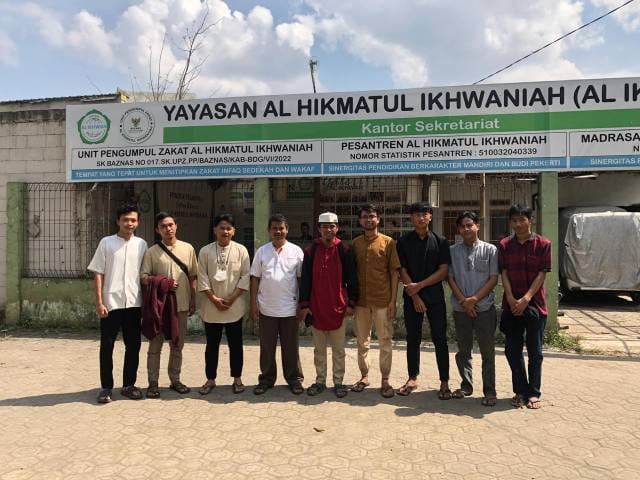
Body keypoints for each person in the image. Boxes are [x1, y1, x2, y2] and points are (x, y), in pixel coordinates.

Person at [88, 204, 147, 404]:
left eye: (133, 220)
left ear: (138, 222)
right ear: (118, 221)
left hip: (134, 303)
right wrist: (99, 302)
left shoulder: (142, 244)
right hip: (111, 303)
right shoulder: (107, 243)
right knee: (107, 346)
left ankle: (129, 385)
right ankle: (106, 387)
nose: (129, 223)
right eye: (125, 220)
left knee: (133, 346)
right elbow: (98, 272)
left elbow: (144, 274)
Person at [298, 212, 358, 398]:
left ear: (337, 228)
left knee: (339, 350)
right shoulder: (311, 251)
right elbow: (305, 280)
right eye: (325, 226)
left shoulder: (344, 250)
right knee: (319, 350)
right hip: (316, 308)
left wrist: (351, 303)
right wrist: (304, 305)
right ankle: (320, 381)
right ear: (319, 228)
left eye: (332, 226)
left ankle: (338, 382)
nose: (328, 230)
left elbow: (352, 278)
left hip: (338, 307)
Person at [397, 202, 452, 399]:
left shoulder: (441, 241)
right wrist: (415, 295)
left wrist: (419, 286)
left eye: (425, 214)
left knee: (440, 339)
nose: (421, 218)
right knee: (413, 338)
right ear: (411, 218)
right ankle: (412, 377)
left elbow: (443, 271)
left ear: (430, 217)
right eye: (417, 214)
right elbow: (402, 270)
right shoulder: (403, 241)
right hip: (412, 298)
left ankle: (444, 381)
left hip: (435, 297)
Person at [498, 205, 551, 410]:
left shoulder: (543, 244)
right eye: (514, 220)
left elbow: (542, 274)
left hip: (535, 305)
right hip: (512, 306)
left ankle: (534, 392)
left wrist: (526, 298)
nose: (518, 224)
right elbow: (503, 273)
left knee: (535, 351)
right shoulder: (504, 245)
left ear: (530, 220)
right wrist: (511, 298)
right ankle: (520, 391)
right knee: (512, 350)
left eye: (522, 219)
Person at [141, 212, 198, 398]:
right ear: (158, 230)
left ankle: (175, 380)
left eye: (170, 225)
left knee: (177, 344)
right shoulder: (152, 252)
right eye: (163, 226)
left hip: (181, 305)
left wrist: (193, 299)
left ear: (176, 226)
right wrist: (164, 282)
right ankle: (153, 383)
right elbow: (144, 277)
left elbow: (193, 276)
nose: (168, 229)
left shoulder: (188, 248)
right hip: (159, 307)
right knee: (155, 346)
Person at [447, 211, 499, 406]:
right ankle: (466, 386)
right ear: (458, 230)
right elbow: (450, 278)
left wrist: (474, 299)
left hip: (484, 308)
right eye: (462, 226)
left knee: (488, 351)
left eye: (470, 225)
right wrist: (464, 301)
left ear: (478, 226)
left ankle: (489, 390)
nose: (466, 229)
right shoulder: (452, 251)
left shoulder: (490, 250)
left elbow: (493, 278)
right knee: (463, 349)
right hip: (461, 308)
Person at [250, 214, 305, 395]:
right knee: (267, 348)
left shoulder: (296, 251)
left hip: (290, 308)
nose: (278, 231)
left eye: (281, 228)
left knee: (291, 348)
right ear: (269, 230)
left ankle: (294, 379)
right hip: (267, 308)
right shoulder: (262, 252)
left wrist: (301, 305)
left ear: (287, 230)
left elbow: (301, 280)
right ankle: (266, 379)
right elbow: (255, 278)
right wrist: (253, 304)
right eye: (274, 228)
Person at [350, 204, 401, 398]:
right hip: (361, 302)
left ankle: (385, 379)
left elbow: (394, 273)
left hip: (382, 300)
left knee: (385, 341)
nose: (368, 220)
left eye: (372, 216)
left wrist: (392, 302)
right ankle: (364, 376)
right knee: (362, 341)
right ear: (360, 221)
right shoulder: (355, 244)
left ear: (378, 219)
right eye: (365, 217)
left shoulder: (388, 243)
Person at [197, 213, 250, 395]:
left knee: (236, 346)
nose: (225, 231)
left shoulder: (241, 250)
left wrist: (232, 298)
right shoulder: (205, 251)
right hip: (211, 307)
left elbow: (245, 277)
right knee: (211, 346)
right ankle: (210, 379)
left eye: (228, 228)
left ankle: (237, 379)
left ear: (234, 231)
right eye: (221, 228)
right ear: (215, 230)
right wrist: (214, 299)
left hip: (234, 307)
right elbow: (202, 277)